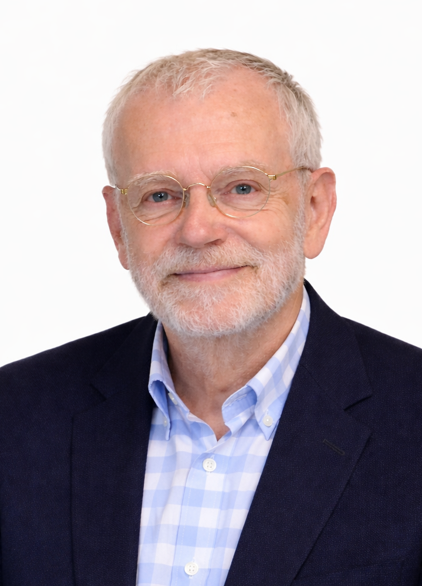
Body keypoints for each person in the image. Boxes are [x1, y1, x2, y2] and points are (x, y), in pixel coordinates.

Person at [0, 49, 421, 586]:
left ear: (315, 209)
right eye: (159, 195)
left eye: (242, 188)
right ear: (118, 226)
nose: (198, 230)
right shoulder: (14, 417)